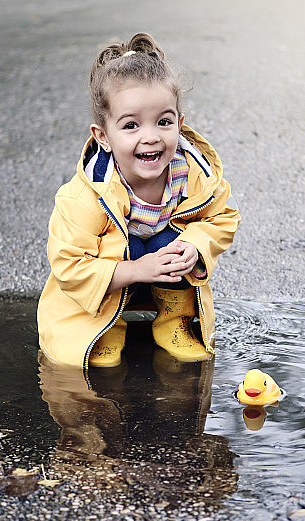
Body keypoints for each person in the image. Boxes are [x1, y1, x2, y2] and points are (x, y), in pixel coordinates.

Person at [37, 32, 240, 370]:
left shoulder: (194, 175)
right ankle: (107, 329)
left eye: (164, 121)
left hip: (162, 267)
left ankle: (173, 322)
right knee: (114, 250)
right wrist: (135, 269)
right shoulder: (85, 195)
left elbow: (223, 217)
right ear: (103, 136)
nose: (151, 136)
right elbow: (69, 267)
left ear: (180, 123)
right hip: (111, 283)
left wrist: (196, 244)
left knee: (177, 240)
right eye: (131, 125)